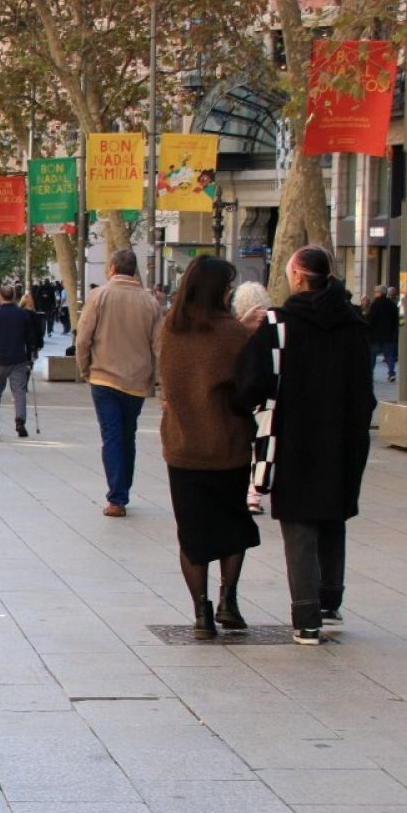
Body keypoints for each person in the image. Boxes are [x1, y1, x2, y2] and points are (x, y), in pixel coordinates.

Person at [236, 246, 374, 645]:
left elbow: (252, 382)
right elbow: (364, 390)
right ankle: (330, 601)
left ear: (297, 275)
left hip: (292, 435)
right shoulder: (353, 323)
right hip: (343, 437)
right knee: (332, 513)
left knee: (299, 524)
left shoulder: (279, 323)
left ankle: (307, 618)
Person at [157, 257, 261, 639]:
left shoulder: (171, 328)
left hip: (183, 445)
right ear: (218, 289)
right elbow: (246, 386)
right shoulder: (230, 332)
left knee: (193, 530)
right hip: (227, 444)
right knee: (233, 523)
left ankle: (201, 612)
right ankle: (228, 599)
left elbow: (167, 382)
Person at [76, 249, 164, 517]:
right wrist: (159, 381)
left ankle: (117, 497)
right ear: (134, 270)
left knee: (112, 436)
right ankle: (122, 490)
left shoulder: (99, 296)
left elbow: (83, 338)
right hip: (136, 380)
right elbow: (159, 345)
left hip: (104, 377)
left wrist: (84, 369)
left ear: (112, 268)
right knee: (128, 435)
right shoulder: (150, 302)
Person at [231, 282, 272, 514]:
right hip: (265, 396)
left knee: (247, 445)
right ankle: (254, 494)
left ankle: (248, 491)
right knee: (262, 447)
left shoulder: (237, 329)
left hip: (243, 394)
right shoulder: (271, 328)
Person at [0, 286, 40, 437]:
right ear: (13, 296)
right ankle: (20, 422)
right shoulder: (23, 314)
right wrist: (31, 353)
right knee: (19, 391)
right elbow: (30, 336)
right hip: (18, 358)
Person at [364, 286, 398, 382]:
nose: (374, 293)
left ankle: (370, 374)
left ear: (379, 293)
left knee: (372, 356)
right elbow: (396, 320)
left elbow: (371, 319)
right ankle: (391, 373)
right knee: (389, 355)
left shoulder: (375, 304)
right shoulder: (392, 304)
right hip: (388, 335)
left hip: (375, 335)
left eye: (376, 292)